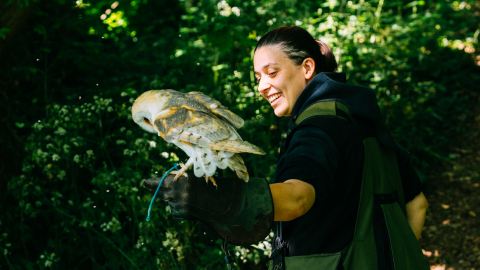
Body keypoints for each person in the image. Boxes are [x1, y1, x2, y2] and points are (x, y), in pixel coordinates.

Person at [144, 26, 429, 269]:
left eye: (271, 72)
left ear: (306, 67)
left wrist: (224, 199)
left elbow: (297, 198)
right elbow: (417, 203)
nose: (262, 87)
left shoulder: (317, 129)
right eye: (258, 77)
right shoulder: (363, 120)